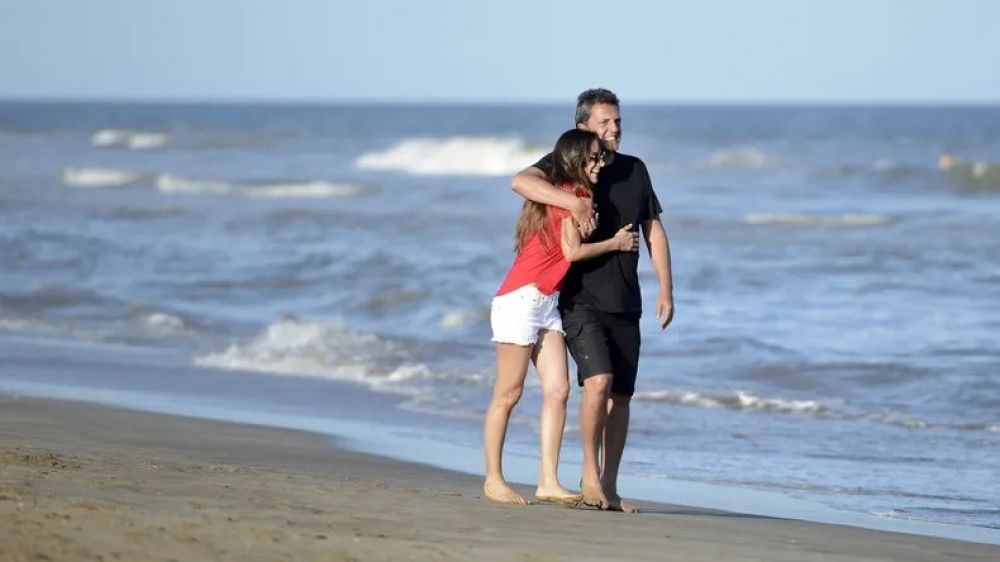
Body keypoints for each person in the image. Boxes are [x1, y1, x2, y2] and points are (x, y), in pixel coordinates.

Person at [511, 88, 675, 513]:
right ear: (582, 128)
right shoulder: (568, 166)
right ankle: (588, 471)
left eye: (617, 121)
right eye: (604, 122)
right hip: (580, 298)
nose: (614, 129)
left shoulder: (635, 169)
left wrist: (667, 289)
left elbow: (654, 230)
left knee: (621, 396)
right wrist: (572, 202)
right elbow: (520, 181)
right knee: (597, 383)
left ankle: (609, 484)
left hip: (628, 300)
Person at [484, 129, 639, 506]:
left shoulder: (572, 194)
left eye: (600, 157)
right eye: (591, 158)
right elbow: (571, 253)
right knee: (509, 393)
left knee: (559, 390)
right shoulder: (574, 194)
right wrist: (616, 243)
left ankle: (548, 481)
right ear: (573, 160)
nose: (598, 163)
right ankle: (493, 479)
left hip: (546, 302)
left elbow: (568, 245)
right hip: (520, 299)